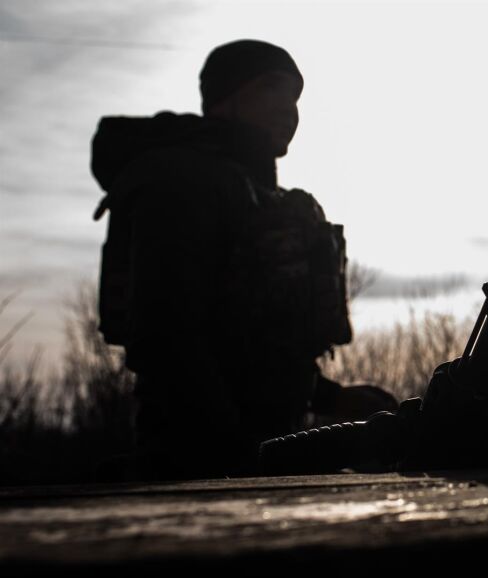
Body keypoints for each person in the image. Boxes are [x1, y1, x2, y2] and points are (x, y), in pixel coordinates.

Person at [91, 39, 361, 479]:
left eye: (295, 96)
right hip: (197, 462)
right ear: (225, 96)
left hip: (263, 453)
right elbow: (167, 340)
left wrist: (333, 399)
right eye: (272, 87)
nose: (289, 108)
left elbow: (254, 349)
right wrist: (238, 455)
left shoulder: (257, 195)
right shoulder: (181, 180)